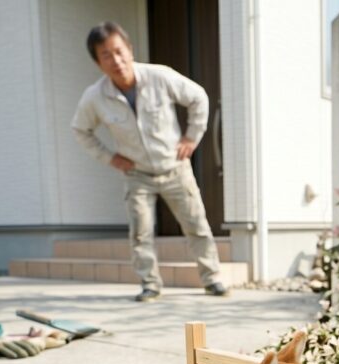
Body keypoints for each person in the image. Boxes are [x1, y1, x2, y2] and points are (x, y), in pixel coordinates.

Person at [72, 21, 227, 301]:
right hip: (137, 173)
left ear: (130, 49)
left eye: (119, 51)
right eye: (106, 55)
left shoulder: (160, 76)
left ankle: (212, 279)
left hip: (175, 167)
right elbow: (81, 130)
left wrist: (192, 137)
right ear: (98, 62)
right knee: (141, 232)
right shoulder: (95, 97)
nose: (116, 60)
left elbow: (198, 98)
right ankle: (150, 284)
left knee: (197, 225)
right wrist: (109, 157)